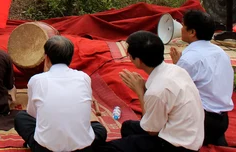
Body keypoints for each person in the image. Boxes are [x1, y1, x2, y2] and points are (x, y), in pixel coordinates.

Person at [99, 31, 204, 152]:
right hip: (186, 134)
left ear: (138, 61)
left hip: (176, 145)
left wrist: (140, 92)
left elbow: (151, 130)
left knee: (108, 148)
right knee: (128, 127)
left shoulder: (157, 91)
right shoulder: (176, 69)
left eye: (129, 54)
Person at [15, 36, 107, 152]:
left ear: (46, 58)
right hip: (84, 149)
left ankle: (32, 144)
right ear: (70, 58)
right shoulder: (84, 77)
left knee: (21, 118)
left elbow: (33, 114)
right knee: (99, 129)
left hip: (45, 149)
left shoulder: (36, 80)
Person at [170, 10, 234, 146]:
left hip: (202, 121)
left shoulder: (189, 59)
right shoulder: (221, 53)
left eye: (183, 26)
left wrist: (177, 67)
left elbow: (174, 90)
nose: (180, 28)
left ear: (192, 32)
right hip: (223, 120)